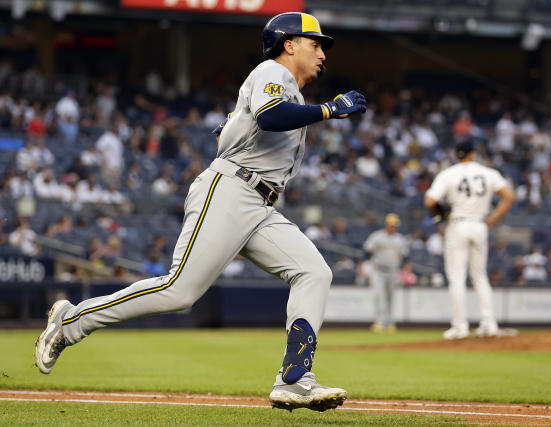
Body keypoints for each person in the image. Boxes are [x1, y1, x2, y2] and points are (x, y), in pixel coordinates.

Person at [35, 11, 366, 413]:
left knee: (315, 272)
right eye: (315, 44)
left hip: (259, 204)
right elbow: (269, 116)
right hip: (231, 191)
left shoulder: (287, 91)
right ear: (289, 44)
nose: (322, 55)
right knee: (179, 291)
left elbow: (246, 127)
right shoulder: (270, 70)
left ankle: (295, 379)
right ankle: (72, 320)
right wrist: (330, 110)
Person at [424, 140, 515, 339]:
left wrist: (441, 214)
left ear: (456, 155)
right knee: (480, 276)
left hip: (457, 224)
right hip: (480, 224)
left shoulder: (448, 174)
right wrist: (493, 219)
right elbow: (509, 196)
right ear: (473, 153)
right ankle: (489, 325)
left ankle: (460, 327)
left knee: (457, 277)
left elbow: (430, 200)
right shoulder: (488, 172)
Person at [361, 213, 409, 333]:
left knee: (390, 297)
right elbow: (367, 252)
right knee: (379, 296)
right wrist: (361, 266)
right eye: (391, 225)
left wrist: (406, 272)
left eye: (395, 225)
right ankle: (379, 322)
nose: (393, 227)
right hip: (378, 270)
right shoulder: (377, 237)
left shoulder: (400, 239)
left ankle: (390, 322)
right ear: (386, 224)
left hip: (393, 270)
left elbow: (406, 258)